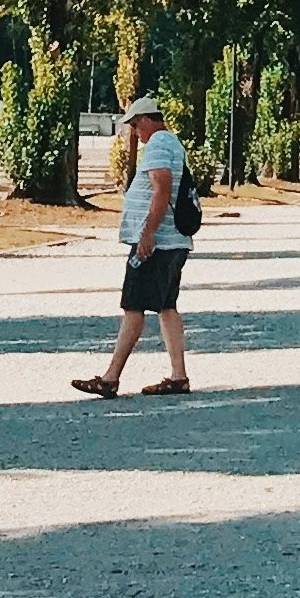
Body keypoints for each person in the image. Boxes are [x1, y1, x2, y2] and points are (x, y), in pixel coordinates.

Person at [73, 96, 194, 400]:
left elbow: (161, 188)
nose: (136, 133)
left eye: (136, 125)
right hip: (173, 240)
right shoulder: (172, 143)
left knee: (134, 306)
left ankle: (110, 378)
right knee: (166, 306)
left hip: (157, 243)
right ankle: (179, 376)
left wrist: (147, 235)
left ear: (145, 120)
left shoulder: (158, 144)